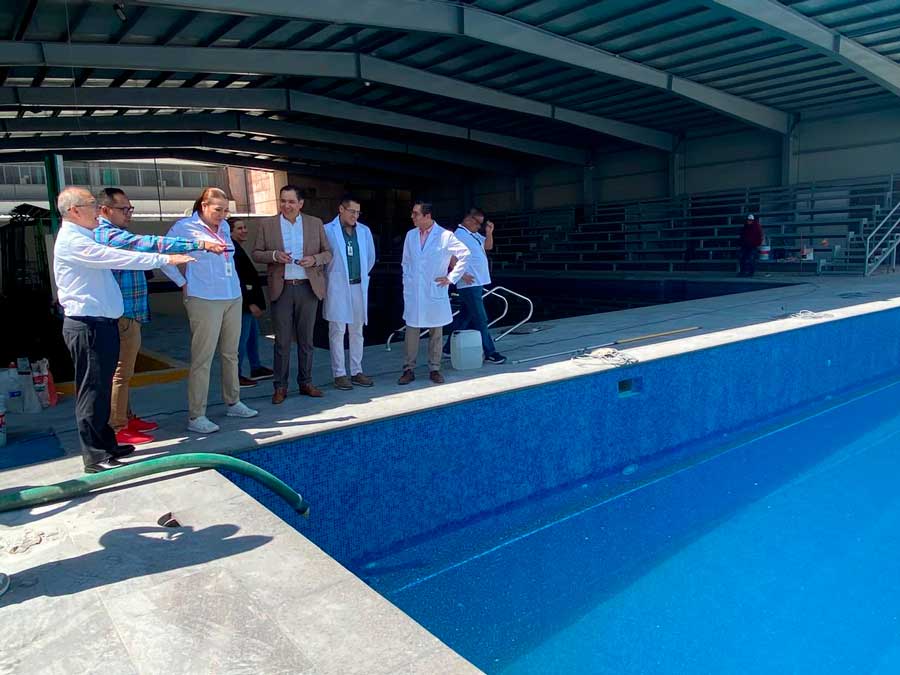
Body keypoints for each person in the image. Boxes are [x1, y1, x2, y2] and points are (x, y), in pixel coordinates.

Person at [53, 187, 196, 472]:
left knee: (103, 387)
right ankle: (94, 456)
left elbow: (128, 245)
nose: (98, 209)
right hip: (87, 325)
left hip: (101, 324)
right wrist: (165, 258)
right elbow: (119, 257)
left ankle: (107, 444)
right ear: (73, 211)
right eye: (92, 204)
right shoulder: (73, 241)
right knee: (92, 390)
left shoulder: (86, 235)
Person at [94, 187, 225, 445]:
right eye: (124, 209)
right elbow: (150, 244)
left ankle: (126, 416)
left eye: (130, 209)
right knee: (120, 372)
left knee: (125, 371)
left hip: (129, 313)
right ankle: (117, 425)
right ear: (105, 210)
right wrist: (199, 244)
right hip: (121, 313)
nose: (128, 214)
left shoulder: (116, 233)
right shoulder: (106, 234)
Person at [162, 188, 259, 434]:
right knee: (202, 358)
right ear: (203, 206)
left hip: (232, 295)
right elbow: (163, 254)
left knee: (231, 354)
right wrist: (182, 283)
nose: (222, 215)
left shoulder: (225, 227)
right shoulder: (184, 227)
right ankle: (197, 415)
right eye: (218, 210)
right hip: (204, 297)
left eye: (226, 211)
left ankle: (233, 401)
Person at [252, 185, 332, 404]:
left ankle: (305, 382)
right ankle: (280, 386)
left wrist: (314, 260)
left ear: (300, 204)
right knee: (282, 341)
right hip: (282, 287)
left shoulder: (314, 223)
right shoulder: (267, 225)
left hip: (308, 287)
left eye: (291, 202)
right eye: (283, 201)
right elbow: (257, 253)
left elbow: (328, 253)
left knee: (306, 340)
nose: (286, 206)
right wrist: (275, 255)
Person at [398, 201, 470, 386]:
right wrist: (407, 279)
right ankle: (408, 369)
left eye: (416, 214)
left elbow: (465, 254)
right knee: (411, 331)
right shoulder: (410, 235)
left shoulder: (444, 236)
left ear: (427, 216)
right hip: (415, 290)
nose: (412, 217)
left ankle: (435, 368)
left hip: (434, 290)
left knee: (436, 332)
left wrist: (451, 278)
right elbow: (406, 261)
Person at [323, 195, 377, 390]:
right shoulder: (327, 230)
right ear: (341, 209)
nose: (355, 215)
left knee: (357, 330)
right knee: (337, 331)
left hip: (358, 285)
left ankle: (356, 370)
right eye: (352, 211)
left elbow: (370, 258)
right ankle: (339, 374)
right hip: (337, 286)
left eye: (357, 212)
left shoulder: (364, 231)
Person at [443, 208, 506, 364]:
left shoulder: (473, 235)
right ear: (469, 220)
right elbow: (450, 256)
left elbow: (488, 246)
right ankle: (490, 351)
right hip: (468, 283)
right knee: (480, 318)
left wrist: (489, 232)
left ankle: (447, 348)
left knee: (466, 316)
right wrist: (462, 274)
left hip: (477, 281)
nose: (480, 226)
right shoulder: (458, 235)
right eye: (478, 223)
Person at [228, 218, 273, 388]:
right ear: (231, 231)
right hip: (243, 305)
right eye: (240, 228)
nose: (244, 230)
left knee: (252, 337)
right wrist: (250, 304)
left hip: (248, 303)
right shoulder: (232, 250)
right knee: (241, 340)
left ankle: (256, 368)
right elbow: (238, 280)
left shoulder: (238, 248)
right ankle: (236, 375)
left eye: (245, 227)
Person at [738, 213, 763, 277]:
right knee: (742, 258)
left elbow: (760, 236)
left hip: (753, 245)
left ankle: (750, 272)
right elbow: (742, 235)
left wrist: (756, 244)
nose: (749, 221)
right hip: (745, 245)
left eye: (750, 220)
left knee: (751, 259)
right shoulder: (745, 226)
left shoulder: (757, 226)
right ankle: (743, 272)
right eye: (748, 220)